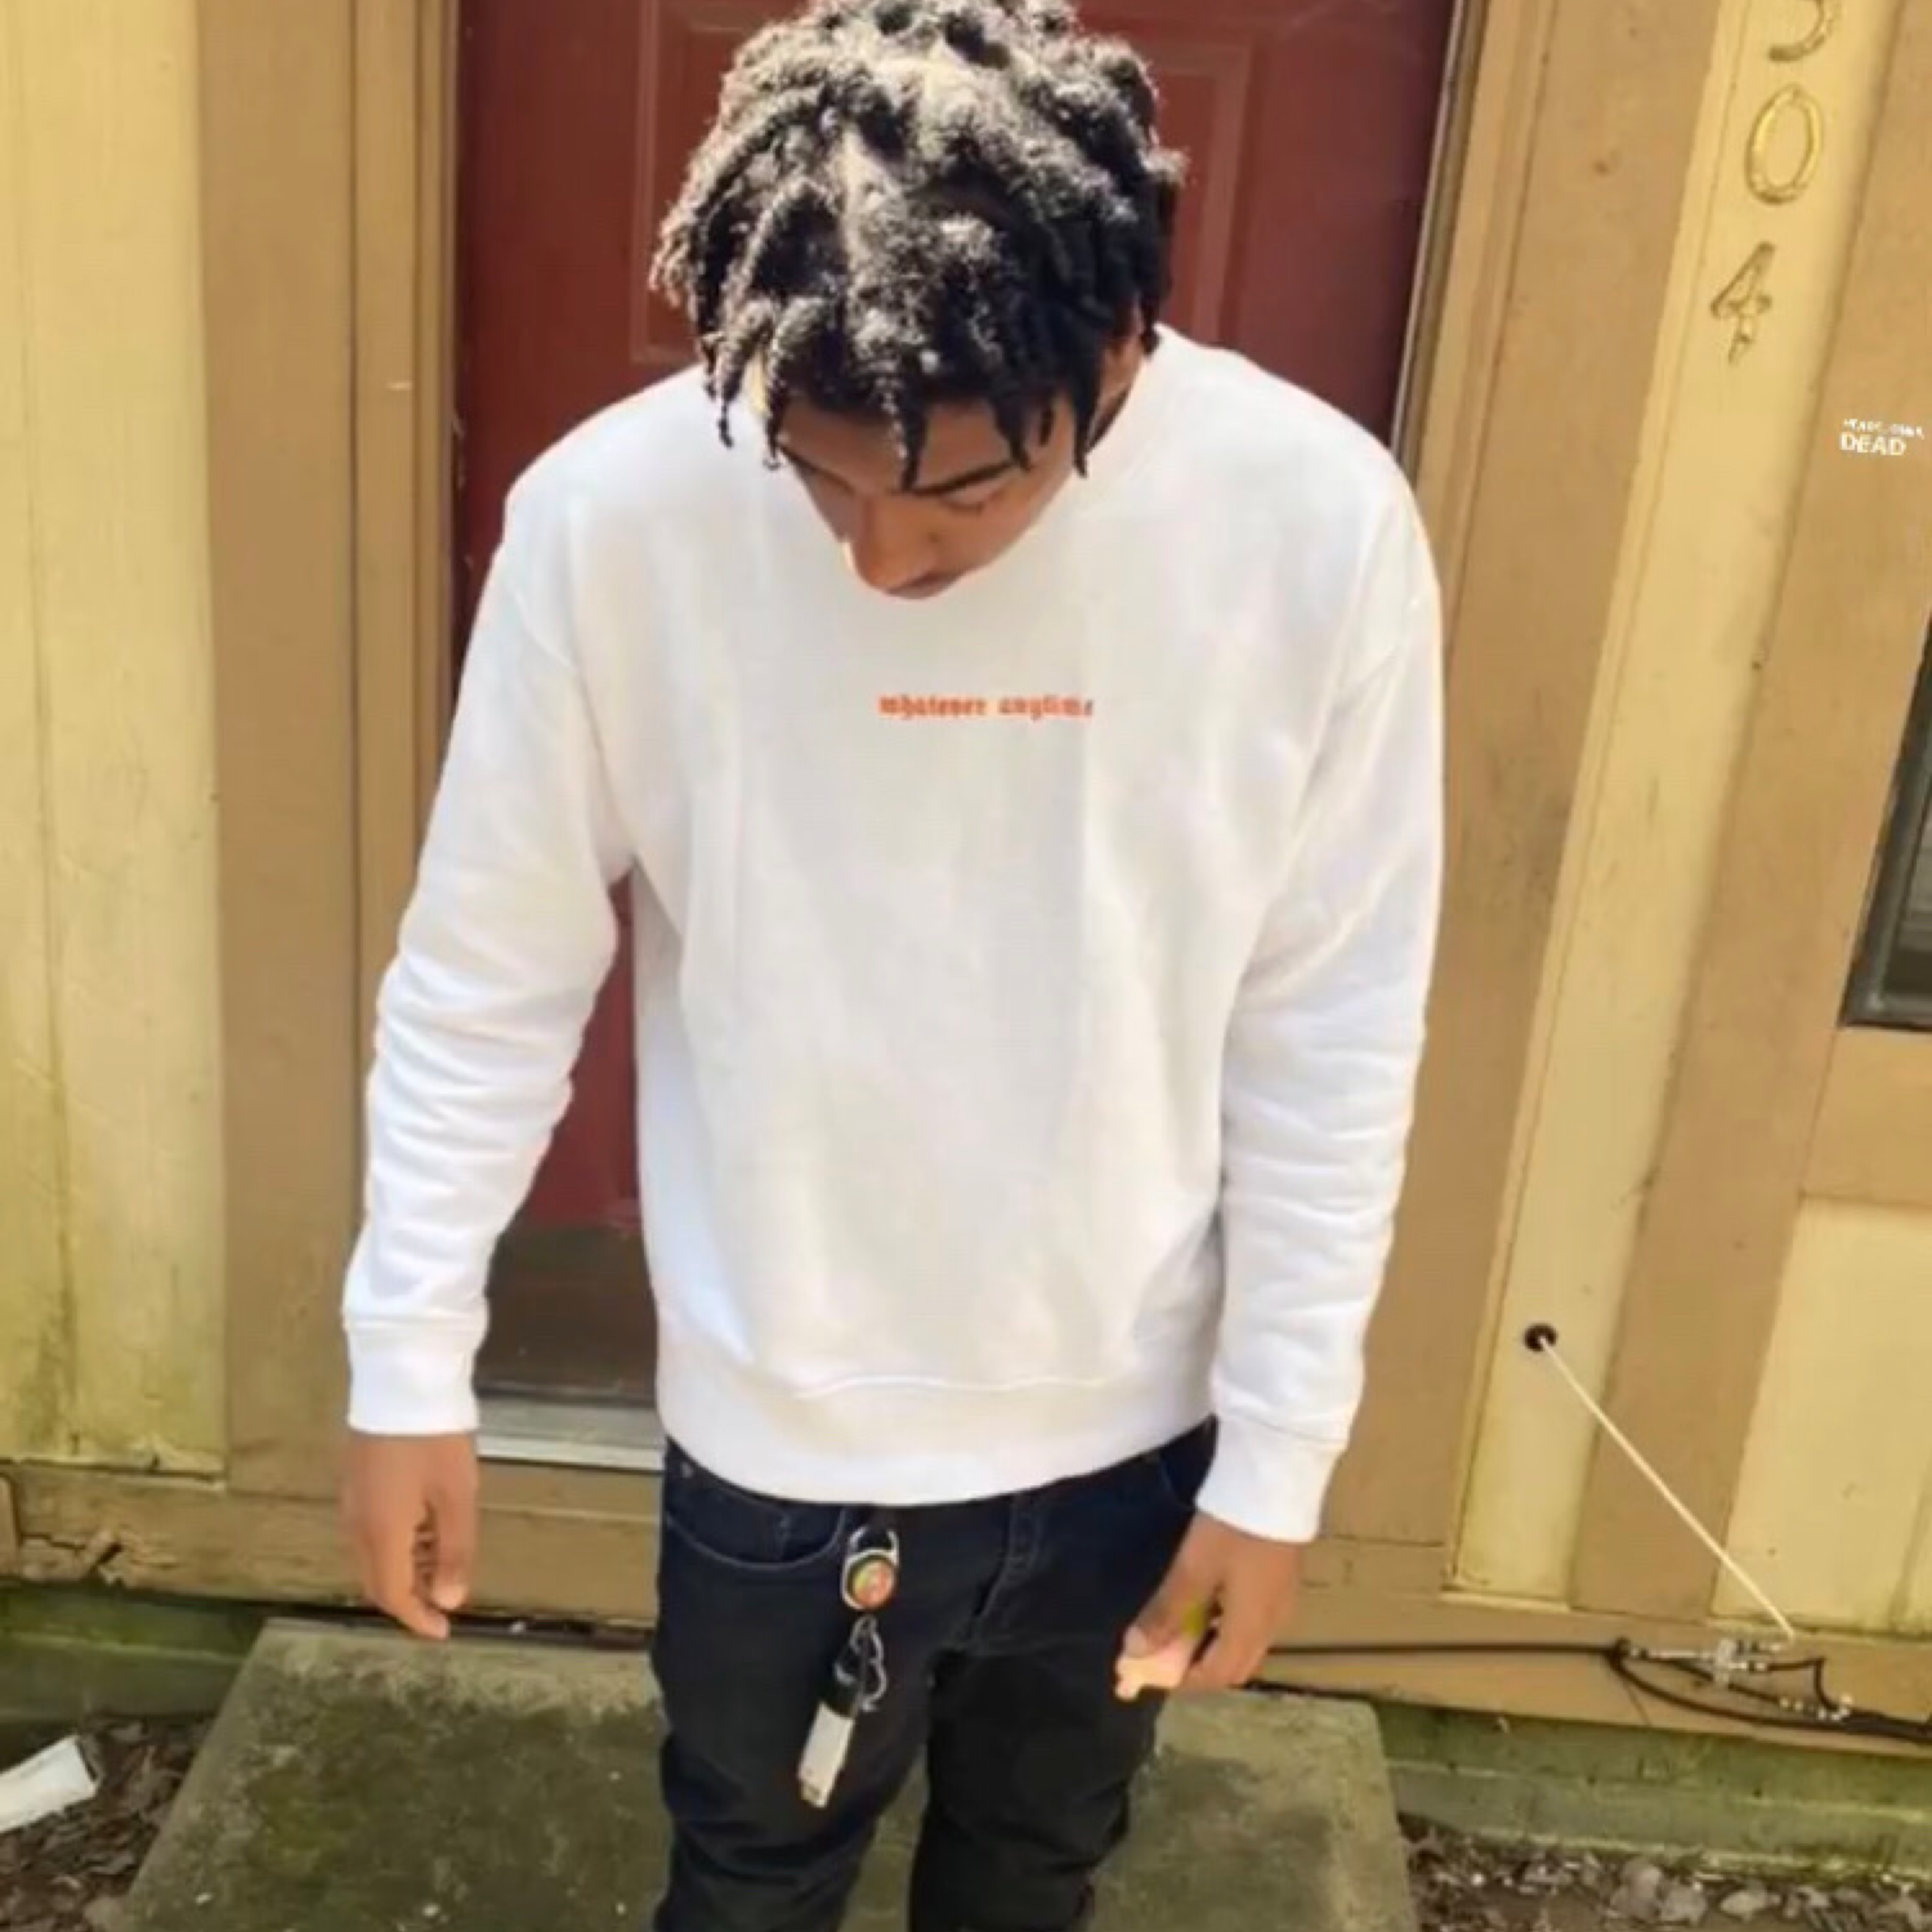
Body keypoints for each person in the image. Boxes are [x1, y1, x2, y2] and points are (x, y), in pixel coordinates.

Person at [339, 0, 1443, 1927]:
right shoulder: (614, 522)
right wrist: (407, 1357)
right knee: (748, 1881)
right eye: (825, 480)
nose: (881, 563)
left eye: (962, 498)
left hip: (1134, 1431)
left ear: (1122, 348)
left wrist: (1278, 1461)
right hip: (786, 1449)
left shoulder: (1318, 529)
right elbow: (487, 975)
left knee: (1036, 1878)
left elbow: (1329, 1024)